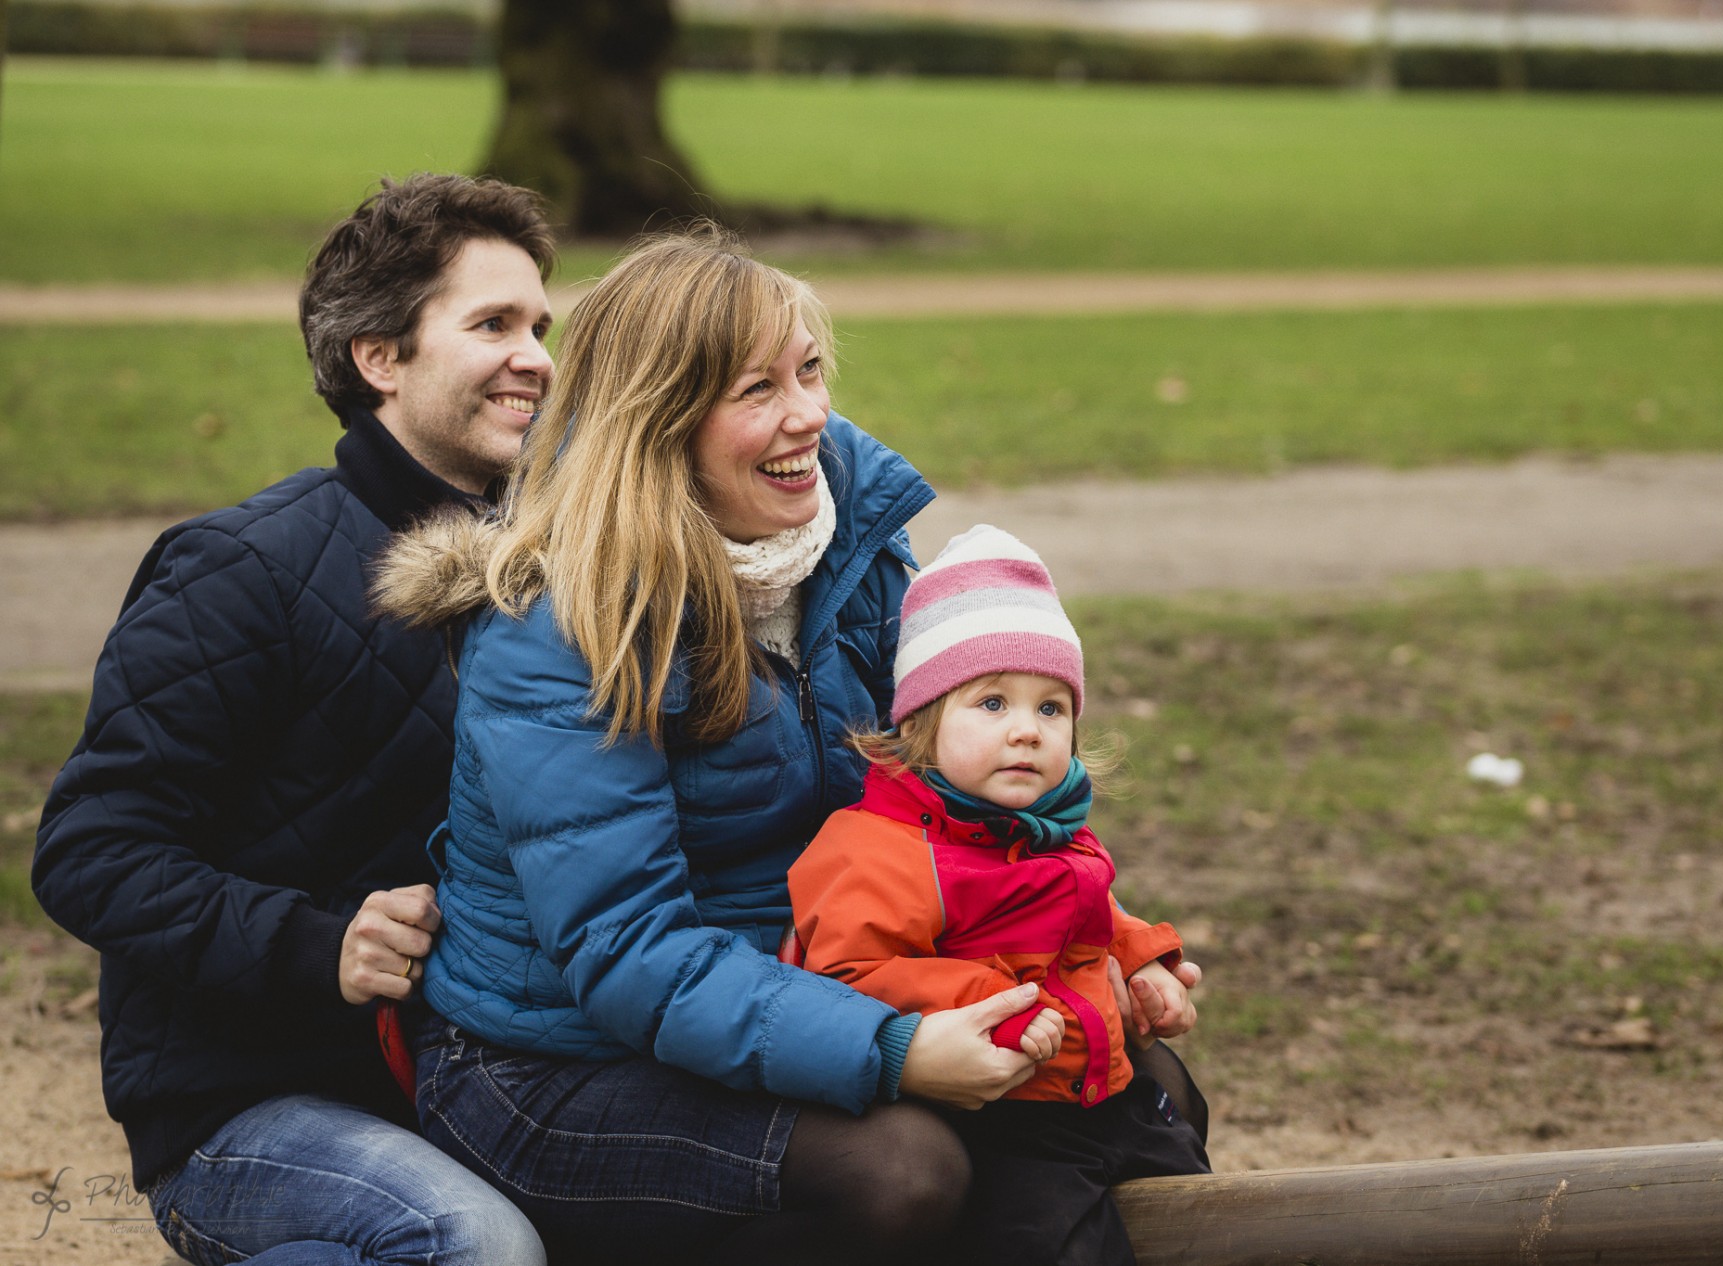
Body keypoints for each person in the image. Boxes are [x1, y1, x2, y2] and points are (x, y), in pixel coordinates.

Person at [371, 227, 1097, 1266]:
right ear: (660, 423)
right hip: (547, 1065)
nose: (808, 414)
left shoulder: (852, 549)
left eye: (809, 371)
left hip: (813, 988)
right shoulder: (560, 627)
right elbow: (624, 951)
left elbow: (960, 801)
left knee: (1122, 1083)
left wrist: (1083, 951)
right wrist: (891, 1048)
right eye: (757, 390)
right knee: (901, 1170)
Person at [32, 173, 554, 1265]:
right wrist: (320, 946)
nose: (538, 356)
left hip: (490, 1076)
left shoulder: (554, 570)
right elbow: (90, 852)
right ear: (380, 357)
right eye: (494, 323)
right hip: (244, 1108)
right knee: (473, 1245)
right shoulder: (240, 570)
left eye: (540, 325)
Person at [785, 522, 1211, 1266]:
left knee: (1191, 1182)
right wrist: (989, 998)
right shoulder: (882, 850)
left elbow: (1091, 913)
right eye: (992, 704)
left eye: (1051, 709)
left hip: (1091, 1083)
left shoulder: (1045, 825)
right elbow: (850, 974)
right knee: (1052, 1241)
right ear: (921, 722)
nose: (1027, 732)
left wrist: (1142, 961)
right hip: (1002, 1114)